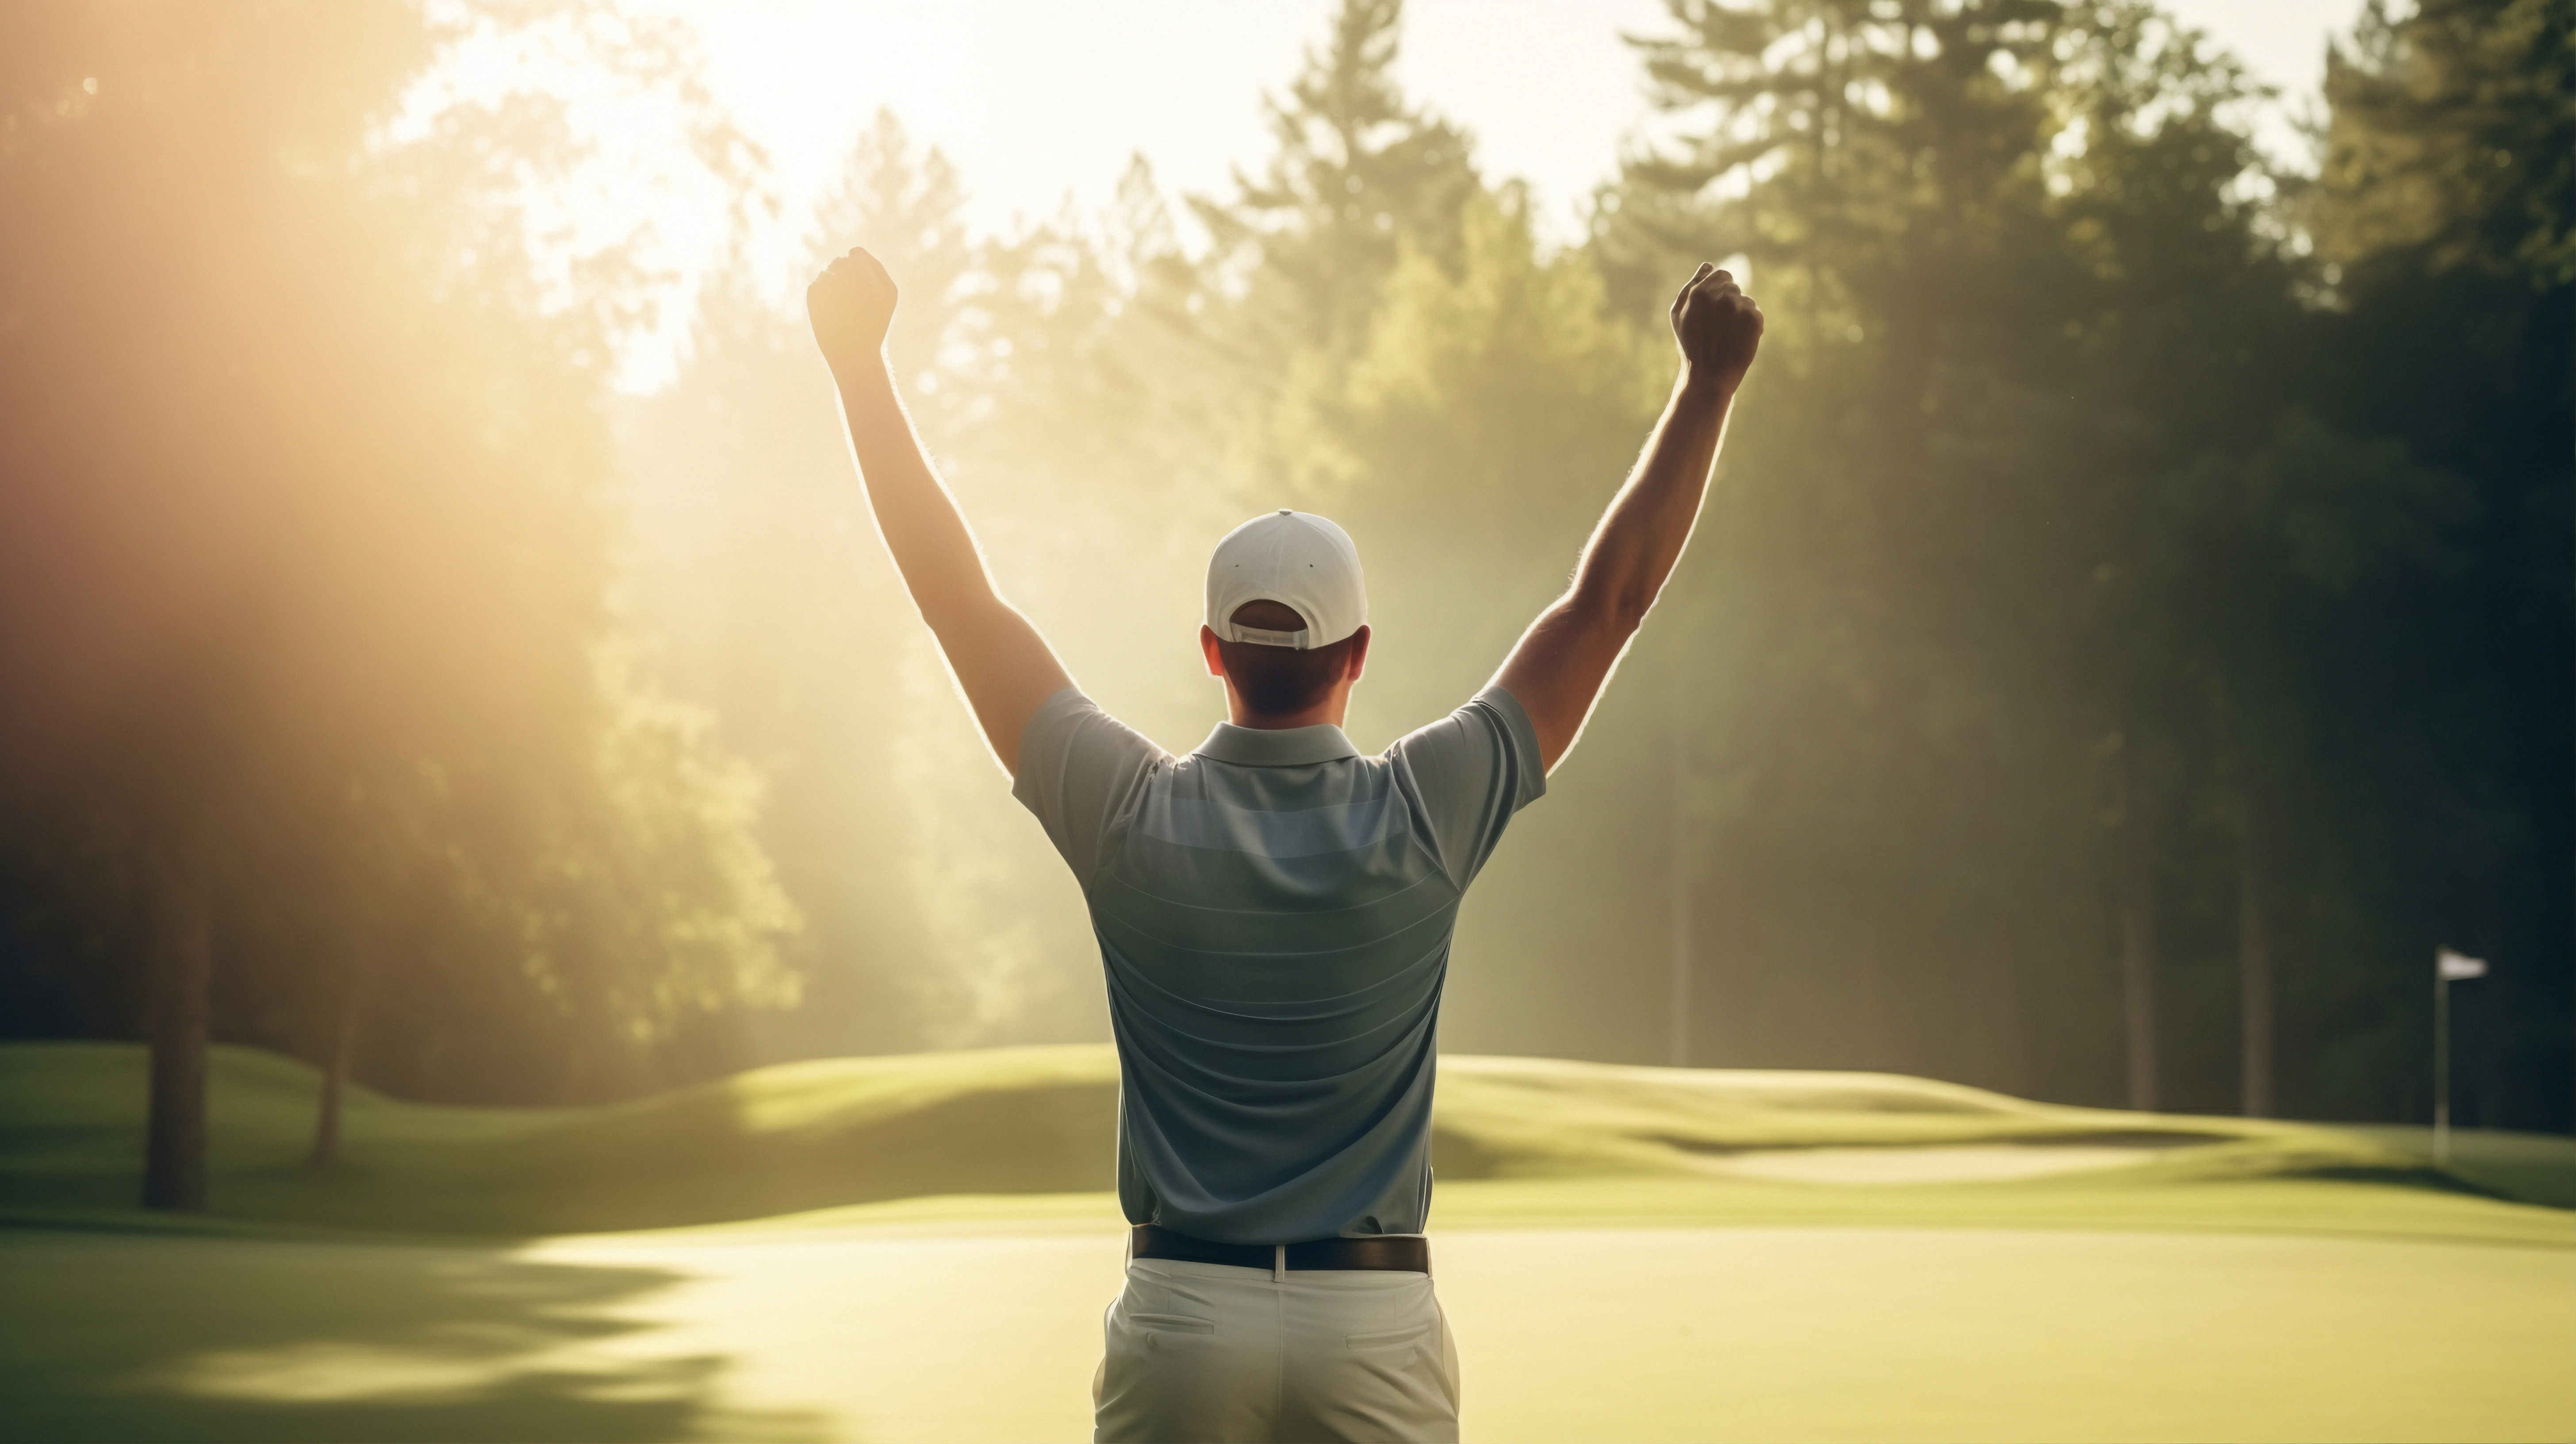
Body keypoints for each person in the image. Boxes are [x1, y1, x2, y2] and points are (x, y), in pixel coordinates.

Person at [808, 243, 1762, 1444]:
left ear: (1211, 652)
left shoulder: (1122, 810)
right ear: (1358, 652)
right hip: (1369, 1321)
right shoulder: (1426, 808)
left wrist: (857, 369)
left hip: (1181, 1312)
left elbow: (958, 601)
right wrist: (1706, 390)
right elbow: (1607, 604)